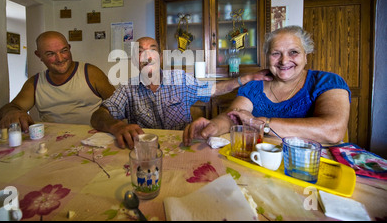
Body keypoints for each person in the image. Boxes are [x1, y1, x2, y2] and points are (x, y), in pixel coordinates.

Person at [91, 36, 273, 149]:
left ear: (160, 58)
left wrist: (247, 79)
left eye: (152, 51)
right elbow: (99, 115)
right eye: (140, 52)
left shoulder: (180, 79)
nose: (147, 57)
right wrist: (116, 126)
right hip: (145, 150)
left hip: (182, 146)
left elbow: (214, 89)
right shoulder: (127, 88)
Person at [183, 26, 351, 146]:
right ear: (267, 57)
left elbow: (333, 131)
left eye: (294, 52)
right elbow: (232, 117)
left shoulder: (327, 82)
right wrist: (213, 126)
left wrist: (262, 124)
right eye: (276, 53)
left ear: (305, 56)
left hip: (306, 166)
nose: (284, 61)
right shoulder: (255, 86)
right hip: (259, 161)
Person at [0, 31, 116, 132]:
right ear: (39, 55)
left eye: (64, 51)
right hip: (52, 142)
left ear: (69, 48)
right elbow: (10, 107)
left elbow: (118, 104)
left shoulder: (91, 73)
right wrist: (11, 113)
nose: (60, 59)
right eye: (51, 54)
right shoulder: (35, 83)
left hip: (93, 139)